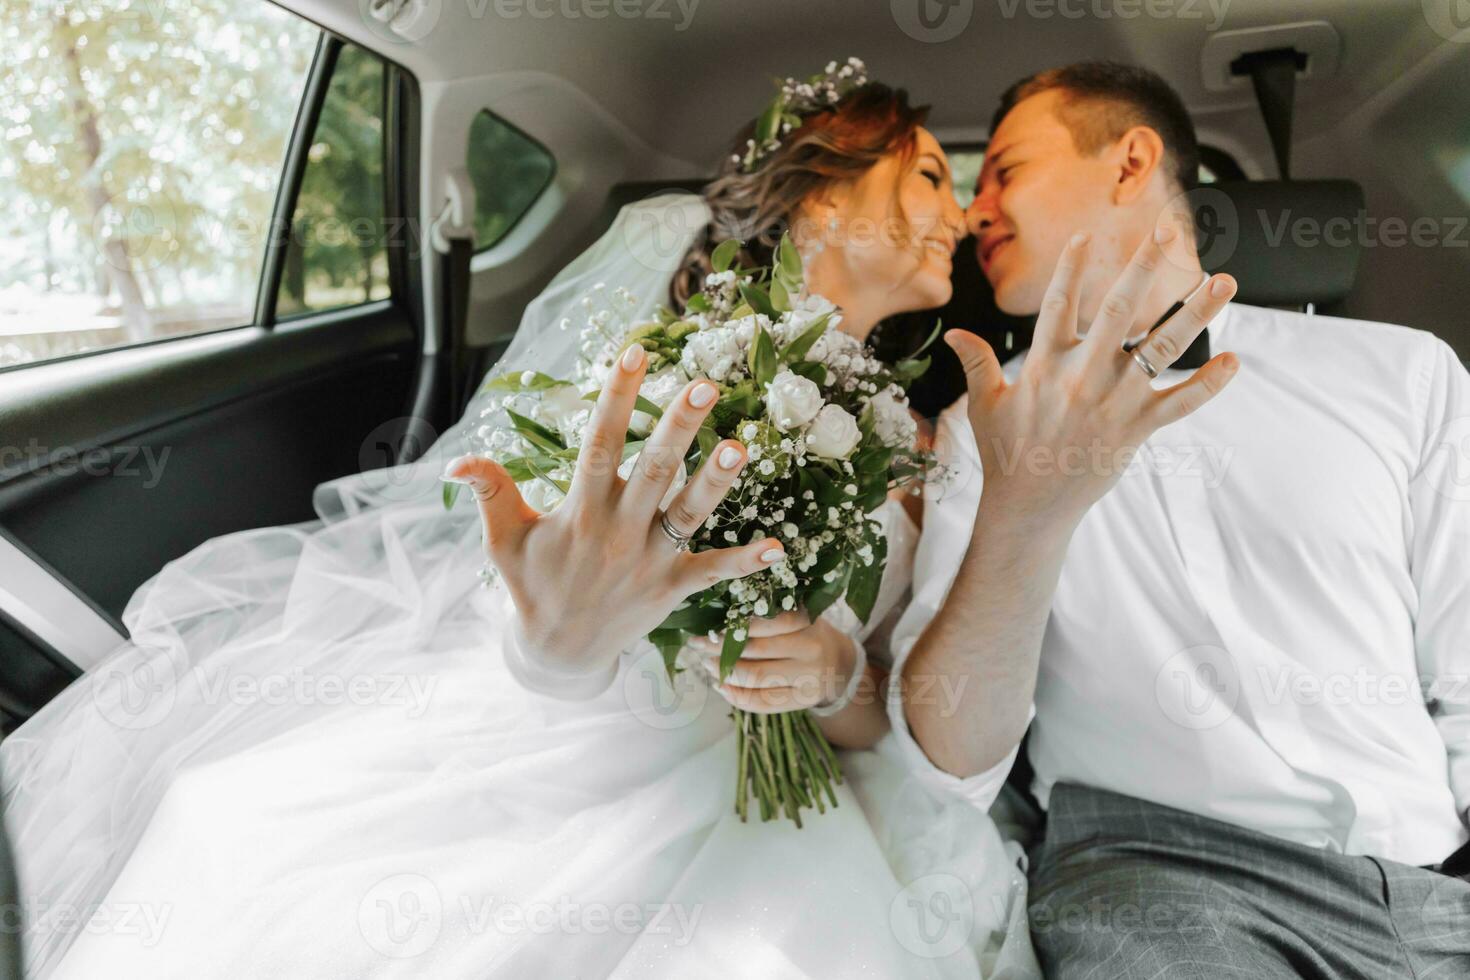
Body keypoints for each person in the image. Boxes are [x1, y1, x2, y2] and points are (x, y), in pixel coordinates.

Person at [0, 62, 1046, 978]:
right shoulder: (648, 370)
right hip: (560, 733)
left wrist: (830, 673)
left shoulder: (924, 437)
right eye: (925, 174)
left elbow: (882, 707)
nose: (958, 212)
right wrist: (558, 645)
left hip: (775, 791)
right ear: (820, 197)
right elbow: (528, 594)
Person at [889, 62, 1470, 978]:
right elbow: (948, 764)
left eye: (1006, 170)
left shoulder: (1409, 377)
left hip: (1438, 892)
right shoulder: (979, 430)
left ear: (1130, 163)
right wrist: (1024, 519)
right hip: (1157, 887)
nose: (975, 212)